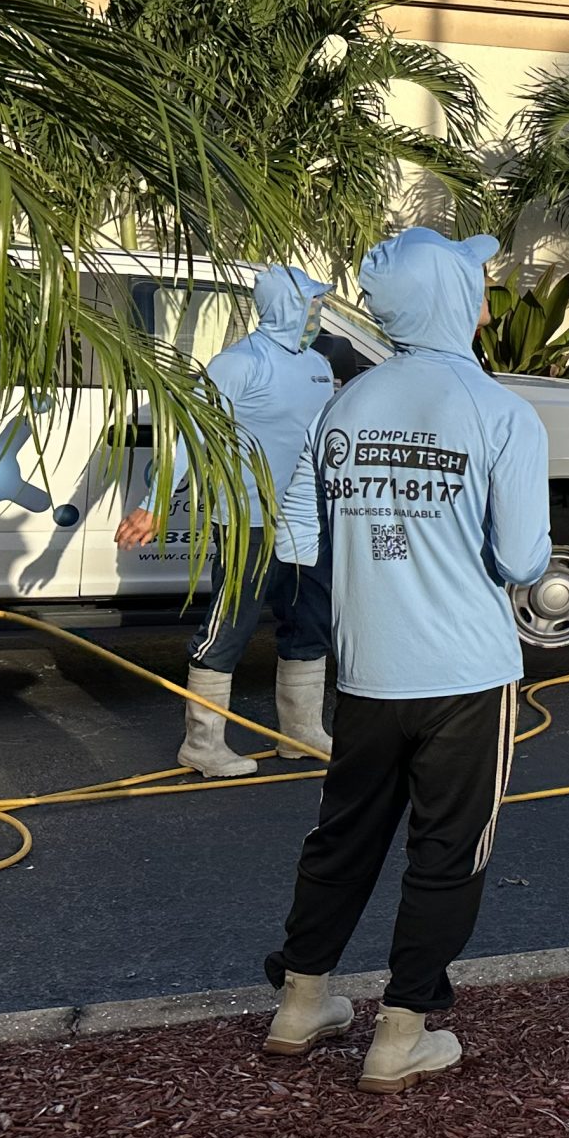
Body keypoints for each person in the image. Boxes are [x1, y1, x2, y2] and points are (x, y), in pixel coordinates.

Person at [260, 228, 550, 1093]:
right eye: (477, 284)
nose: (488, 301)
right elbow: (524, 559)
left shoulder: (344, 404)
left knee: (342, 836)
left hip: (367, 669)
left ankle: (300, 1002)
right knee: (447, 852)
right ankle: (401, 1032)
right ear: (454, 301)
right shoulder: (500, 411)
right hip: (466, 674)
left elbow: (304, 534)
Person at [115, 265, 338, 779]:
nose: (317, 313)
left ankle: (301, 733)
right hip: (247, 520)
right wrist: (154, 504)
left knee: (310, 623)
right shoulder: (238, 364)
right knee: (231, 625)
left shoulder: (318, 365)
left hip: (306, 519)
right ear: (285, 306)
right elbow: (191, 437)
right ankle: (202, 743)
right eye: (311, 303)